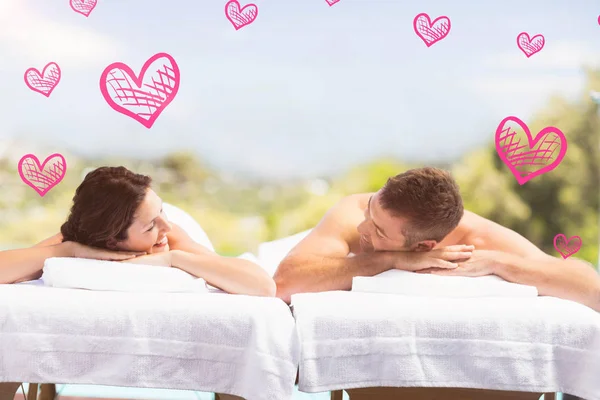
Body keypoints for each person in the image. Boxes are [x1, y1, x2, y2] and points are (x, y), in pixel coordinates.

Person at [273, 167, 600, 311]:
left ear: (425, 246)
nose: (362, 229)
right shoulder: (356, 211)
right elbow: (285, 281)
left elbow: (590, 287)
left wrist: (497, 263)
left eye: (379, 232)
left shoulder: (480, 239)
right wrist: (390, 258)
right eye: (370, 212)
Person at [0, 166, 276, 297]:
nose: (164, 227)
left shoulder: (173, 233)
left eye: (161, 213)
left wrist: (175, 258)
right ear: (111, 240)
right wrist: (70, 250)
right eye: (151, 226)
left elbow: (263, 286)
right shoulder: (81, 237)